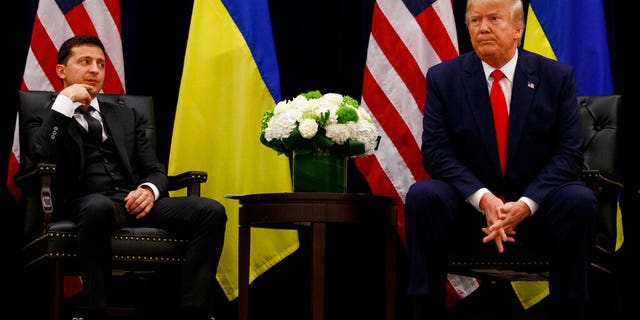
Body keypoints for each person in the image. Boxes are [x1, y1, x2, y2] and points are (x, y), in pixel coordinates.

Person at [404, 0, 597, 319]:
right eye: (475, 20)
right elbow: (436, 152)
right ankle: (425, 308)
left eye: (494, 19)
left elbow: (568, 154)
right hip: (470, 216)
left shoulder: (556, 77)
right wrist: (483, 199)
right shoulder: (443, 78)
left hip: (538, 215)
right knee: (424, 196)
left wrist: (525, 204)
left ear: (518, 30)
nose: (483, 28)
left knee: (579, 200)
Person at [26, 35, 227, 320]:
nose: (95, 70)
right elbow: (40, 154)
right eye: (85, 62)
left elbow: (155, 169)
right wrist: (65, 103)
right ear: (61, 70)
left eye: (100, 64)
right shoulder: (48, 116)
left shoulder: (125, 115)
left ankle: (192, 309)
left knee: (210, 211)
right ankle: (95, 310)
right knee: (98, 206)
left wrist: (148, 190)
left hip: (133, 201)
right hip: (84, 203)